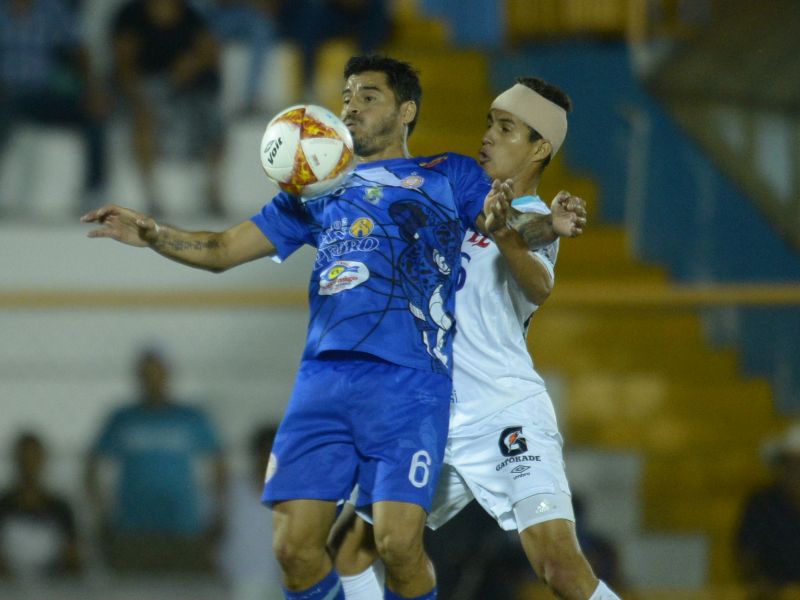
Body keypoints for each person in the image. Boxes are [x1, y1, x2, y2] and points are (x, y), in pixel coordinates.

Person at [81, 55, 583, 600]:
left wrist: (541, 227)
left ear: (407, 110)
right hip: (323, 379)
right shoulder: (313, 190)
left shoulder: (448, 174)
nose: (351, 106)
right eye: (347, 96)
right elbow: (223, 249)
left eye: (369, 96)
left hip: (412, 383)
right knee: (297, 551)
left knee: (397, 546)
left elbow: (496, 224)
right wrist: (154, 233)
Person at [333, 77, 622, 600]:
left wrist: (515, 233)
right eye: (490, 122)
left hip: (501, 412)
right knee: (352, 546)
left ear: (539, 147)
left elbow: (537, 279)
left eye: (506, 127)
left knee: (559, 566)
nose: (487, 136)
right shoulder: (455, 202)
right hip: (429, 415)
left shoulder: (531, 218)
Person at [85, 346, 226, 573]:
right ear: (138, 377)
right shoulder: (122, 418)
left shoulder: (190, 417)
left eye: (157, 373)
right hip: (132, 530)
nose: (152, 381)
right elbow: (92, 465)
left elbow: (218, 464)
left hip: (183, 528)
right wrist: (101, 515)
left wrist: (218, 513)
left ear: (168, 375)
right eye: (146, 374)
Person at [110, 0, 225, 215]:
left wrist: (192, 64)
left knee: (215, 123)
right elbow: (123, 64)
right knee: (142, 124)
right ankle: (152, 196)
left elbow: (209, 49)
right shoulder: (131, 14)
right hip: (144, 87)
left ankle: (213, 190)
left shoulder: (188, 13)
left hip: (186, 89)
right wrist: (139, 100)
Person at [0, 0, 108, 212]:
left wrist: (90, 89)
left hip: (46, 94)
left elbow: (78, 51)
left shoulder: (51, 9)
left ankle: (94, 190)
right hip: (8, 94)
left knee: (93, 116)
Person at [0, 432, 81, 580]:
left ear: (43, 461)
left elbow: (74, 556)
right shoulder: (3, 506)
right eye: (24, 459)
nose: (29, 466)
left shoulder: (60, 508)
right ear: (16, 461)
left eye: (34, 459)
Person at [217, 423, 283, 600]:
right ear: (256, 453)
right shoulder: (233, 489)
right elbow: (216, 531)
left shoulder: (294, 496)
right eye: (265, 451)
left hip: (279, 582)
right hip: (239, 579)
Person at [735, 422, 800, 599]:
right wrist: (758, 581)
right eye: (791, 464)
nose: (796, 472)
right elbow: (746, 552)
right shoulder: (761, 503)